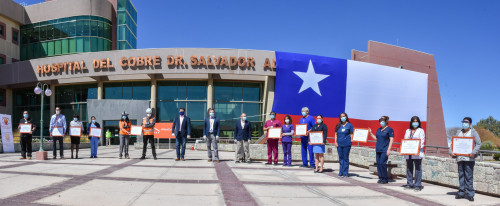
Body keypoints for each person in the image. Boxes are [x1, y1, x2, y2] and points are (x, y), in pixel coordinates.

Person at [450, 117, 481, 202]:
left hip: (469, 159)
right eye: (463, 122)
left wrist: (473, 152)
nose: (464, 123)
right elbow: (453, 144)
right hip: (460, 158)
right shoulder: (458, 132)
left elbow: (478, 144)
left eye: (466, 122)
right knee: (461, 175)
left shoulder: (473, 132)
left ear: (470, 124)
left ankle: (470, 194)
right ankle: (461, 192)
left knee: (469, 176)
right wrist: (451, 152)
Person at [402, 116, 426, 191]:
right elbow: (405, 140)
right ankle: (409, 183)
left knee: (418, 169)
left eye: (416, 121)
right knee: (409, 168)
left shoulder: (420, 130)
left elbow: (422, 142)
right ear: (411, 122)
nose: (415, 123)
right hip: (409, 152)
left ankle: (418, 185)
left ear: (418, 122)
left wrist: (416, 149)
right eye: (413, 121)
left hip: (417, 152)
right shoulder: (408, 130)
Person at [368, 116, 394, 184]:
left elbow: (391, 139)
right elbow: (376, 139)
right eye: (380, 121)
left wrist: (389, 149)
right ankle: (381, 177)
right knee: (379, 164)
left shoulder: (389, 129)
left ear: (386, 121)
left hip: (384, 149)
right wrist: (371, 133)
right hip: (378, 149)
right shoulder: (378, 129)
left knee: (383, 163)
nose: (381, 122)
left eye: (383, 121)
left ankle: (385, 178)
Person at [334, 112, 354, 177]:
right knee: (340, 158)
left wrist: (351, 139)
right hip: (339, 144)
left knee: (345, 158)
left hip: (347, 144)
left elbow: (351, 134)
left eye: (344, 116)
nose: (343, 118)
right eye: (341, 116)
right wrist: (335, 142)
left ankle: (345, 172)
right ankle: (341, 172)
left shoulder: (349, 125)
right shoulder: (338, 125)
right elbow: (336, 134)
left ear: (346, 117)